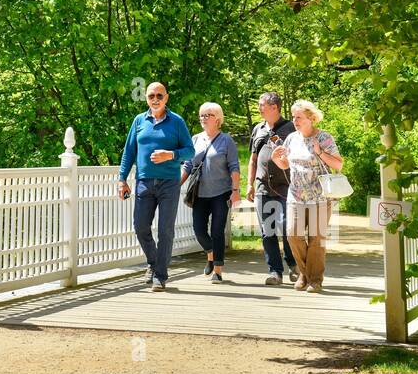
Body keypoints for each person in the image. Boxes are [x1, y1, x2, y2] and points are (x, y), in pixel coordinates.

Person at [118, 81, 197, 292]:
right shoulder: (139, 121)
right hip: (144, 182)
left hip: (169, 183)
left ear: (166, 98)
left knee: (165, 231)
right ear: (146, 98)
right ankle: (153, 263)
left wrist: (170, 155)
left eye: (159, 96)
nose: (155, 99)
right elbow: (129, 152)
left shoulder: (176, 122)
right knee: (140, 226)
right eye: (151, 96)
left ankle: (160, 276)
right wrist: (122, 179)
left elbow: (190, 151)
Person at [271, 100, 344, 293]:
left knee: (316, 240)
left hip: (319, 198)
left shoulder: (324, 137)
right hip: (295, 196)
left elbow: (338, 165)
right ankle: (304, 273)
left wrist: (320, 153)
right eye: (294, 117)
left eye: (299, 117)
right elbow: (286, 165)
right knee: (293, 235)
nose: (295, 121)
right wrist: (276, 159)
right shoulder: (292, 139)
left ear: (311, 118)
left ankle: (315, 280)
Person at [183, 102, 240, 283]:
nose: (203, 119)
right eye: (201, 115)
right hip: (199, 193)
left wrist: (236, 190)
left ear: (217, 119)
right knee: (199, 230)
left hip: (221, 193)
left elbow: (234, 167)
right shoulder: (195, 139)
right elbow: (188, 164)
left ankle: (217, 270)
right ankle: (210, 253)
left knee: (217, 231)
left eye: (207, 115)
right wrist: (175, 184)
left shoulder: (226, 141)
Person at [247, 92, 298, 285]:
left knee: (287, 228)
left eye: (262, 105)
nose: (259, 108)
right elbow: (252, 159)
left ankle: (293, 264)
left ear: (274, 107)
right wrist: (249, 184)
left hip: (287, 187)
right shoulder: (258, 129)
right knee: (267, 230)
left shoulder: (291, 129)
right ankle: (275, 271)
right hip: (262, 187)